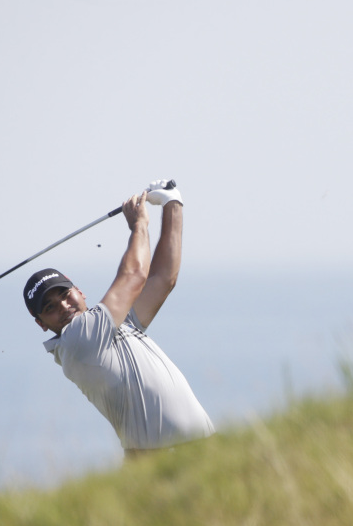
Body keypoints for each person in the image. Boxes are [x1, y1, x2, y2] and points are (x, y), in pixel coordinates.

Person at [22, 180, 214, 458]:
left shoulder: (110, 327)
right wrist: (139, 225)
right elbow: (135, 275)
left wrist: (173, 203)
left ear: (79, 291)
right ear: (41, 323)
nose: (63, 305)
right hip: (159, 459)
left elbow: (162, 279)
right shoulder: (77, 341)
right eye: (49, 307)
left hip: (198, 452)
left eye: (65, 293)